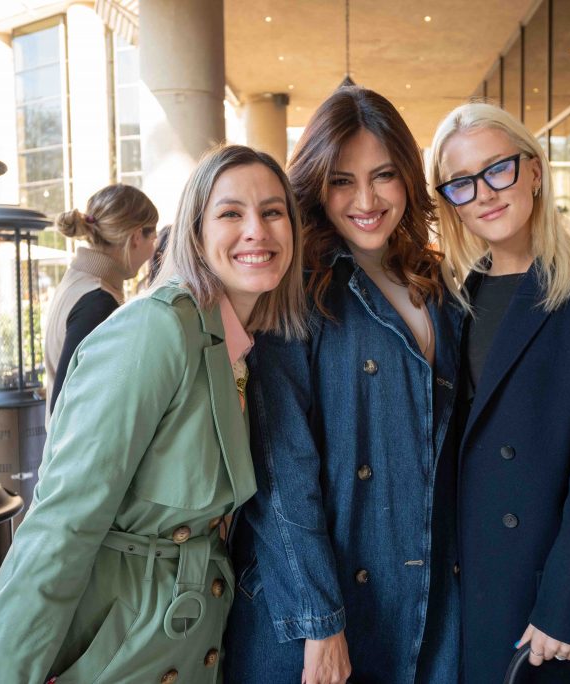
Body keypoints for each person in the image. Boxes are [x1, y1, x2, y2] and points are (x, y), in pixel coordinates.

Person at [0, 145, 306, 684]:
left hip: (186, 641)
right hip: (122, 649)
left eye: (273, 211)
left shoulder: (242, 341)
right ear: (194, 232)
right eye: (231, 213)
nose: (256, 230)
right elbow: (61, 523)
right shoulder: (157, 330)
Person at [224, 86, 464, 684]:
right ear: (315, 185)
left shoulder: (437, 281)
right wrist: (320, 619)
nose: (365, 199)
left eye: (383, 175)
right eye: (341, 180)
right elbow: (282, 473)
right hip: (319, 601)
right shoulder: (297, 290)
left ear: (408, 177)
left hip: (427, 591)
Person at [429, 102, 570, 683]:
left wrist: (567, 607)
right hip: (474, 582)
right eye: (461, 182)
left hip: (550, 597)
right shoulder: (457, 300)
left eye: (497, 169)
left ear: (533, 170)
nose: (483, 192)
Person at [44, 184, 159, 419]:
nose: (152, 251)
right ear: (136, 237)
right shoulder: (97, 300)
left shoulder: (79, 281)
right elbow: (64, 404)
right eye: (153, 238)